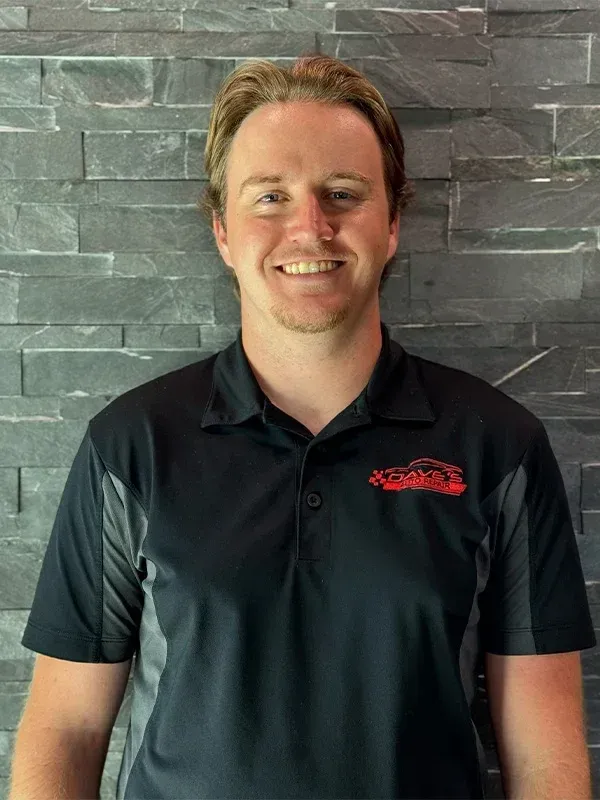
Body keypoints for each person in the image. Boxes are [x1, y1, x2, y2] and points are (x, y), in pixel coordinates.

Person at [9, 52, 596, 800]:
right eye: (270, 197)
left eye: (343, 193)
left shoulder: (498, 447)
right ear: (222, 230)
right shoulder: (132, 446)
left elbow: (544, 757)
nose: (310, 227)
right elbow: (66, 731)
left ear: (392, 224)